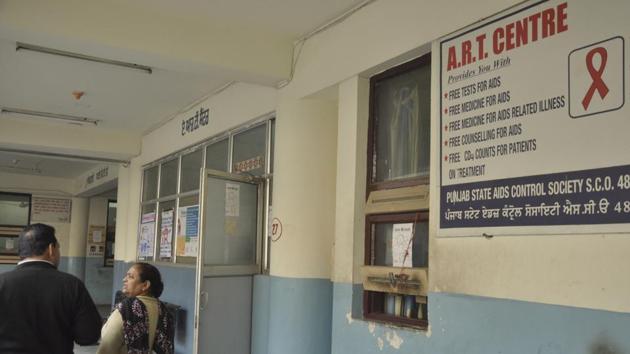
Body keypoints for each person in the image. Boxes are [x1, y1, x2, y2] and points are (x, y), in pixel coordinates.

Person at [0, 223, 102, 354]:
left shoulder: (2, 283)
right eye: (58, 248)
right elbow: (88, 336)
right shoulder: (72, 285)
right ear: (51, 249)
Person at [97, 262, 174, 354]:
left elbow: (107, 346)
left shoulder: (126, 308)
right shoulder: (165, 311)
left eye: (130, 277)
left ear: (145, 285)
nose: (124, 279)